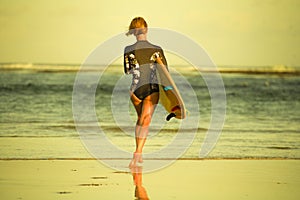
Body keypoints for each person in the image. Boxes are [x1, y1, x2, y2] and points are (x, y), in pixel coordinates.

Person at [124, 17, 168, 167]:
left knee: (140, 121)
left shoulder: (127, 50)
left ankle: (138, 152)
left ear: (133, 31)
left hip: (134, 90)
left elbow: (128, 71)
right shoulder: (157, 49)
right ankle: (138, 153)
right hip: (151, 89)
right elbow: (165, 73)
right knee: (146, 121)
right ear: (147, 29)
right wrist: (169, 91)